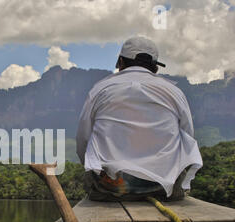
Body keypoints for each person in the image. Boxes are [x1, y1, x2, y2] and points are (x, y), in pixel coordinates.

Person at [76, 36, 203, 202]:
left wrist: (95, 169)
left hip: (111, 187)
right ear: (155, 68)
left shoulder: (100, 90)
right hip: (165, 188)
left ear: (120, 62)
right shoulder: (174, 92)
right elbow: (188, 137)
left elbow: (83, 140)